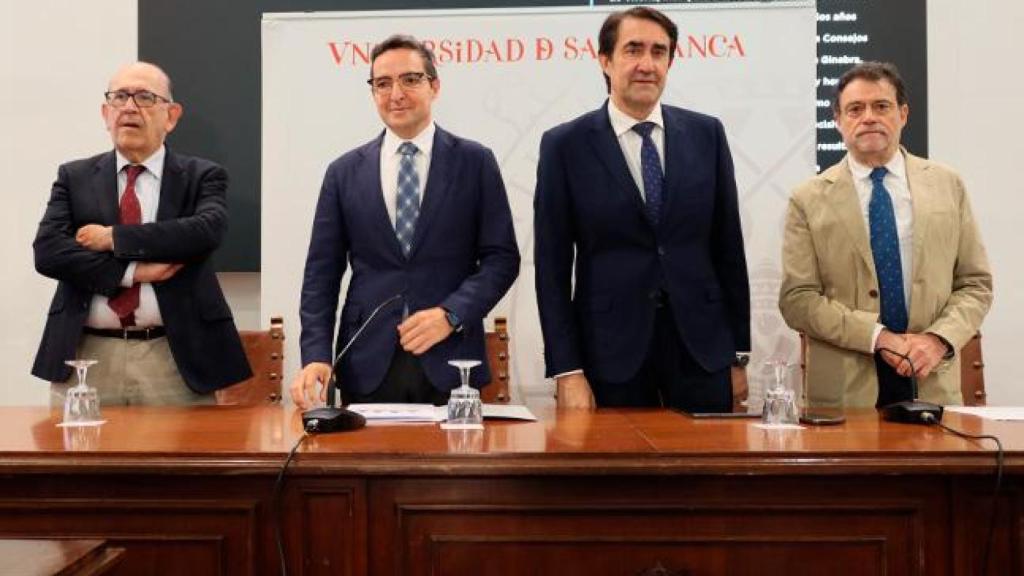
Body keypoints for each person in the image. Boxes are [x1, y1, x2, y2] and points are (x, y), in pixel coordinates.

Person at [534, 7, 750, 412]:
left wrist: (738, 353)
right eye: (633, 50)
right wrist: (567, 370)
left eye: (658, 51)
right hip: (609, 355)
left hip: (703, 353)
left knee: (710, 456)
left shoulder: (707, 135)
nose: (647, 64)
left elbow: (728, 249)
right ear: (605, 60)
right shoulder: (565, 145)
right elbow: (552, 268)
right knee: (618, 457)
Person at [290, 35, 519, 408]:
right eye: (382, 83)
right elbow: (321, 274)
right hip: (366, 362)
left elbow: (502, 258)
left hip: (452, 358)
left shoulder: (475, 162)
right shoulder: (344, 172)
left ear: (434, 86)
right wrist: (316, 354)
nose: (395, 94)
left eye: (410, 80)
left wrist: (451, 314)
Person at [33, 61, 251, 405]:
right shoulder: (75, 177)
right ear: (106, 113)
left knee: (184, 443)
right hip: (85, 354)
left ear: (171, 116)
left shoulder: (202, 175)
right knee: (79, 441)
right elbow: (49, 252)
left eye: (145, 97)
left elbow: (205, 231)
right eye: (119, 97)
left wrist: (113, 238)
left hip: (175, 356)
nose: (129, 107)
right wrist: (132, 272)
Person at [779, 61, 993, 408]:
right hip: (843, 393)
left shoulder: (947, 185)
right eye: (855, 109)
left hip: (931, 378)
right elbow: (797, 299)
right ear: (838, 120)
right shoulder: (808, 198)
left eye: (881, 106)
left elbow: (976, 284)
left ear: (903, 114)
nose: (869, 117)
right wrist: (878, 337)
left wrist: (937, 340)